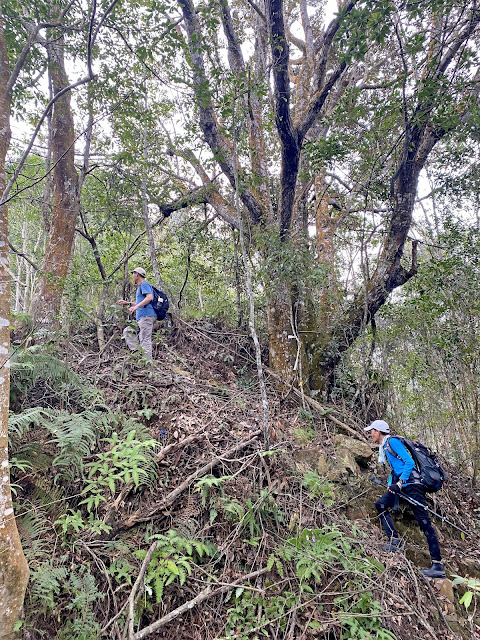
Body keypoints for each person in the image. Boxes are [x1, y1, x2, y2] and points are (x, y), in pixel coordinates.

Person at [365, 419, 446, 579]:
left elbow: (408, 462)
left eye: (372, 431)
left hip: (413, 486)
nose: (371, 434)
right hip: (402, 485)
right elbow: (396, 468)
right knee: (381, 504)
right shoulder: (385, 447)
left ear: (379, 431)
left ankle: (437, 565)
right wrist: (392, 484)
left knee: (424, 524)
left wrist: (400, 483)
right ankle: (394, 540)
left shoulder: (392, 442)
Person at [117, 267, 157, 360]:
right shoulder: (141, 287)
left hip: (147, 316)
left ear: (137, 275)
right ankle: (138, 355)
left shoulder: (144, 284)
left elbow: (150, 298)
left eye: (133, 274)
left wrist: (136, 307)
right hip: (141, 318)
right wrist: (128, 303)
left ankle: (148, 365)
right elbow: (142, 302)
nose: (132, 277)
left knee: (145, 339)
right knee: (128, 331)